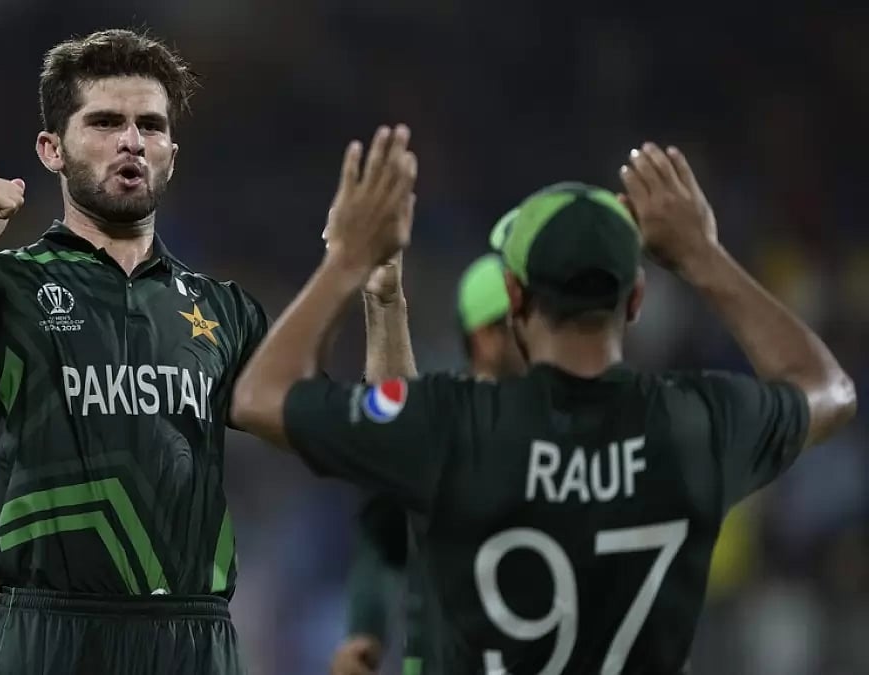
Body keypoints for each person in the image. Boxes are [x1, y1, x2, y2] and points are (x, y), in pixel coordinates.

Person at [0, 28, 409, 675]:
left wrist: (383, 295)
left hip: (191, 643)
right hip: (48, 637)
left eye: (150, 125)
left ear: (171, 153)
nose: (132, 139)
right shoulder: (6, 287)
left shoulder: (222, 312)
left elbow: (382, 443)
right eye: (105, 121)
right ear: (52, 149)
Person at [231, 132, 856, 674]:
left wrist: (348, 261)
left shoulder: (457, 428)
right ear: (635, 300)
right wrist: (703, 256)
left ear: (514, 295)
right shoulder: (697, 423)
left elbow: (262, 395)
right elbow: (825, 388)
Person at [332, 251, 524, 675]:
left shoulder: (556, 419)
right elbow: (383, 533)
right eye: (520, 322)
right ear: (487, 337)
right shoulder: (445, 419)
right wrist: (365, 629)